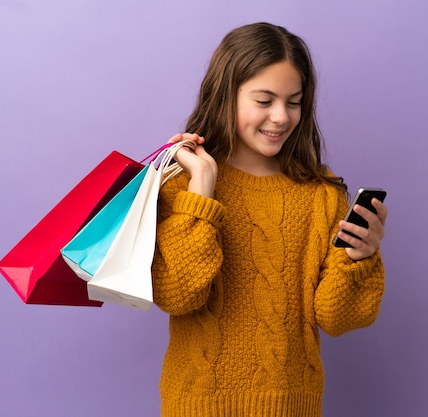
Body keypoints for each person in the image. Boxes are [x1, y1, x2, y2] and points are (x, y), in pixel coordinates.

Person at [151, 22, 387, 417]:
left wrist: (360, 258)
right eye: (264, 100)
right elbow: (177, 295)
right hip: (197, 405)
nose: (280, 117)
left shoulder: (321, 193)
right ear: (226, 95)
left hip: (294, 405)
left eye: (293, 102)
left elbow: (336, 318)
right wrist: (203, 189)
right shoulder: (181, 184)